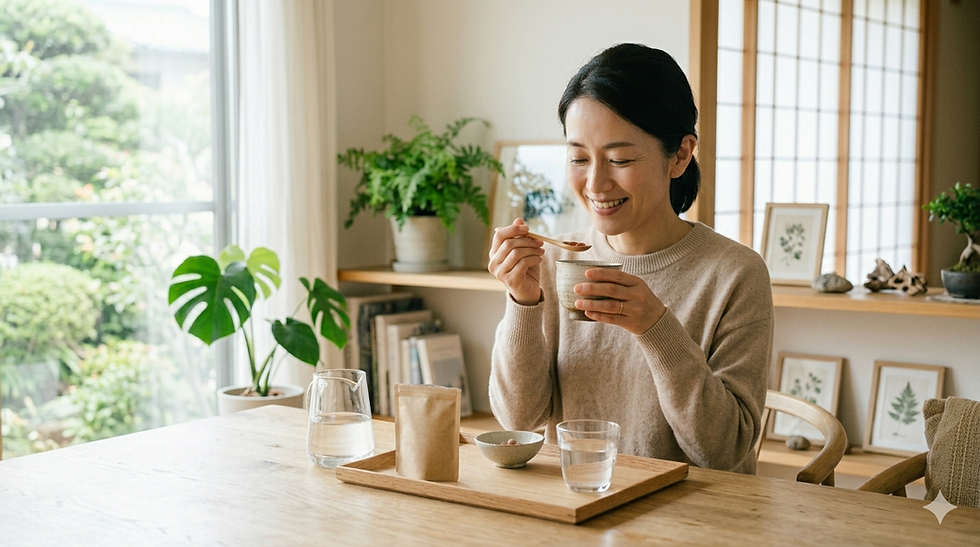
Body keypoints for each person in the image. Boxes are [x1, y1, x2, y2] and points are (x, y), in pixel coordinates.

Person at [486, 43, 773, 474]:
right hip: (577, 505)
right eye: (579, 158)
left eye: (619, 159)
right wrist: (523, 304)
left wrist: (656, 328)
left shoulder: (735, 274)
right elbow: (518, 420)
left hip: (691, 522)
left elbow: (724, 451)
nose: (596, 183)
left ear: (679, 154)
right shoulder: (554, 260)